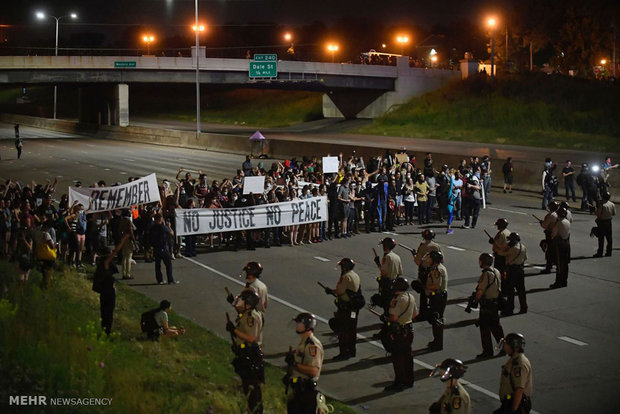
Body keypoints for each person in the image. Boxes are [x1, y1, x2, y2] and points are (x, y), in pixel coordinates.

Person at [226, 290, 264, 414]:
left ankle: (255, 411)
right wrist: (233, 301)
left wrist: (234, 330)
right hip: (244, 354)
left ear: (248, 304)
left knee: (252, 387)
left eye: (241, 299)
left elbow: (251, 338)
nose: (239, 300)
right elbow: (239, 309)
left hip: (250, 355)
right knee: (247, 386)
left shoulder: (251, 317)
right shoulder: (246, 313)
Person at [284, 312, 324, 414]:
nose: (297, 325)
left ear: (306, 326)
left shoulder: (312, 345)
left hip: (306, 392)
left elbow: (314, 371)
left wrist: (295, 364)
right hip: (299, 391)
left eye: (299, 323)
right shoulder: (304, 342)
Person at [383, 277, 417, 392]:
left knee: (398, 358)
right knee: (408, 357)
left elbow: (393, 317)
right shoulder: (410, 297)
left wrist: (386, 318)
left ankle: (399, 382)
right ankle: (409, 380)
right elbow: (414, 315)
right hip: (409, 330)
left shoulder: (397, 299)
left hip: (399, 332)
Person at [324, 257, 361, 360]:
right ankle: (352, 350)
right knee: (352, 329)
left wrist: (331, 291)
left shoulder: (346, 277)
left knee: (343, 330)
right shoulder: (355, 275)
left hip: (346, 308)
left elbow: (340, 291)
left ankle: (344, 352)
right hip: (354, 308)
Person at [93, 234, 130, 335]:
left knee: (104, 313)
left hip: (104, 293)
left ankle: (105, 330)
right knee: (108, 314)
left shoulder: (101, 265)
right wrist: (123, 241)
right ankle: (107, 332)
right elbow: (115, 251)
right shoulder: (106, 263)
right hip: (108, 293)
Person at [474, 253, 505, 358]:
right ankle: (504, 347)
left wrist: (475, 300)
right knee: (496, 327)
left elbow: (481, 289)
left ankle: (487, 351)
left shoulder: (486, 274)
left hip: (487, 304)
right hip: (495, 303)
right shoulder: (496, 271)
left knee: (485, 329)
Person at [494, 333, 532, 414]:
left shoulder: (519, 364)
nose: (504, 347)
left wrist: (513, 410)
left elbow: (520, 389)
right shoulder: (515, 359)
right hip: (510, 402)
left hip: (516, 405)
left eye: (506, 344)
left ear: (514, 347)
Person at [412, 229, 442, 321]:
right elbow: (442, 260)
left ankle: (422, 314)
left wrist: (414, 255)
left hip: (424, 273)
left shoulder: (422, 246)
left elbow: (417, 262)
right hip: (433, 271)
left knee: (423, 293)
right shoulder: (437, 246)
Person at [496, 233, 528, 315]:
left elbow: (501, 253)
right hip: (520, 270)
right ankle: (524, 307)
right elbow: (525, 258)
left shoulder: (513, 249)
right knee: (521, 290)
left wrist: (505, 246)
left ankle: (510, 309)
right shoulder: (522, 246)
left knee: (510, 290)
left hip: (513, 270)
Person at [423, 250, 447, 351]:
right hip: (438, 296)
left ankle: (438, 343)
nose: (428, 260)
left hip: (438, 297)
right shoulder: (436, 268)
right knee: (435, 319)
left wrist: (425, 286)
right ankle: (436, 340)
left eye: (430, 258)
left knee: (436, 320)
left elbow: (436, 285)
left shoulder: (436, 270)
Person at [372, 237, 403, 314]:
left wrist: (378, 263)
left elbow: (383, 272)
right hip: (395, 283)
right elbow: (400, 272)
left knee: (385, 304)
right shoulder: (397, 257)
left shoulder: (387, 257)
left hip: (387, 284)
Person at [148, 213, 178, 284]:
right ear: (160, 219)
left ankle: (159, 279)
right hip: (163, 247)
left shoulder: (152, 227)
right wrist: (169, 226)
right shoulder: (162, 227)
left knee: (157, 265)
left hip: (156, 248)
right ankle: (170, 279)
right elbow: (171, 233)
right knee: (168, 264)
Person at [550, 207, 570, 289]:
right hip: (567, 243)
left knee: (559, 264)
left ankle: (558, 282)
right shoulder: (567, 221)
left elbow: (553, 234)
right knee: (565, 264)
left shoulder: (558, 223)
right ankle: (564, 281)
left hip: (560, 244)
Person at [593, 191, 615, 257]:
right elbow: (613, 213)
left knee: (601, 238)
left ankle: (600, 253)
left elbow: (598, 215)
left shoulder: (602, 205)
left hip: (602, 222)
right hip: (609, 222)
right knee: (609, 238)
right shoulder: (612, 204)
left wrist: (595, 210)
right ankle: (609, 252)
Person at [539, 201, 558, 274]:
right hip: (555, 234)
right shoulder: (557, 214)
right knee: (554, 251)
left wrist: (541, 223)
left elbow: (545, 225)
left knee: (549, 252)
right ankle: (556, 265)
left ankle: (548, 268)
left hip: (550, 234)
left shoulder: (549, 215)